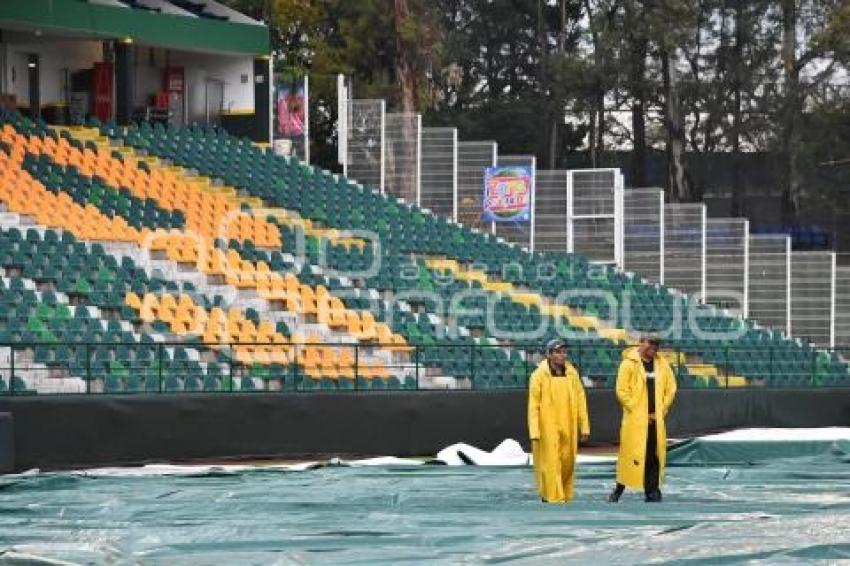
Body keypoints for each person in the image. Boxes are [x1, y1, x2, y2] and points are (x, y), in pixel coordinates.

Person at [608, 334, 677, 503]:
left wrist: (659, 412)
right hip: (636, 421)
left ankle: (652, 491)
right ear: (640, 343)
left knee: (654, 455)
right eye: (650, 343)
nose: (653, 347)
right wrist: (641, 413)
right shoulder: (628, 364)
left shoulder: (662, 365)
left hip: (656, 421)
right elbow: (622, 392)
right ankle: (618, 490)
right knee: (631, 455)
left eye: (656, 344)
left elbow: (671, 389)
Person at [528, 339, 590, 503]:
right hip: (547, 425)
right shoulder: (538, 375)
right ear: (549, 354)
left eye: (564, 352)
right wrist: (534, 430)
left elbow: (580, 398)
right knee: (551, 462)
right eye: (558, 352)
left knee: (568, 461)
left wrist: (584, 426)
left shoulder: (572, 373)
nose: (562, 355)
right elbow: (533, 405)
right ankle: (552, 496)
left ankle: (563, 492)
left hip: (568, 422)